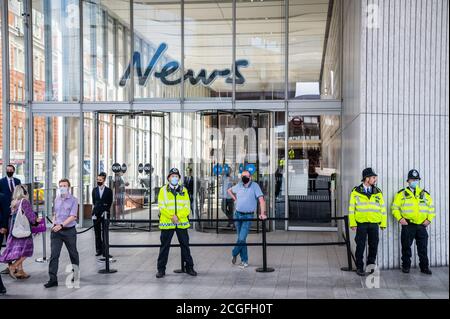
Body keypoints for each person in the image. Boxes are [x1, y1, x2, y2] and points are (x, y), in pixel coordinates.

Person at [156, 168, 197, 278]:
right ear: (168, 178)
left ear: (179, 178)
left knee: (185, 246)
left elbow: (187, 207)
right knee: (164, 247)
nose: (174, 178)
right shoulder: (163, 190)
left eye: (176, 176)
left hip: (181, 222)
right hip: (167, 222)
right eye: (172, 176)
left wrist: (177, 216)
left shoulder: (184, 190)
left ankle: (189, 267)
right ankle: (161, 270)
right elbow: (161, 206)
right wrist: (171, 216)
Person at [392, 169, 434, 275]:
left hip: (421, 226)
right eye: (413, 179)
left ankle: (424, 267)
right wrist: (400, 218)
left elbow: (431, 208)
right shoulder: (401, 194)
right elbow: (394, 208)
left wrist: (429, 219)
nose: (415, 181)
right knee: (406, 247)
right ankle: (406, 267)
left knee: (423, 248)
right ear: (408, 181)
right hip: (408, 225)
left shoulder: (424, 194)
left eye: (416, 179)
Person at [348, 168, 387, 276]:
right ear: (366, 178)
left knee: (373, 246)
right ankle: (359, 267)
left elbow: (382, 209)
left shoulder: (378, 192)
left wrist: (383, 223)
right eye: (373, 177)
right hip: (361, 224)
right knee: (360, 246)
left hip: (374, 224)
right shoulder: (356, 191)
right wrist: (353, 223)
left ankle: (370, 267)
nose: (375, 179)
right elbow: (352, 208)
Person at [0, 185, 41, 279]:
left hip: (14, 231)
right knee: (26, 251)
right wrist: (36, 221)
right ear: (24, 192)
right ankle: (13, 266)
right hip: (23, 231)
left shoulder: (13, 202)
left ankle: (20, 271)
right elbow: (30, 216)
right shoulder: (24, 202)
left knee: (20, 250)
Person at [227, 170, 267, 268]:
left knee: (241, 238)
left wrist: (262, 213)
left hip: (248, 216)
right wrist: (235, 199)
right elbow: (229, 190)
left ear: (250, 177)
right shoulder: (239, 185)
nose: (244, 178)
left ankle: (234, 253)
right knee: (242, 239)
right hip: (237, 215)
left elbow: (261, 200)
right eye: (243, 176)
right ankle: (244, 261)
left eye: (246, 176)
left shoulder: (255, 186)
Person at [44, 179, 80, 288]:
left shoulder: (74, 200)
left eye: (64, 185)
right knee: (54, 255)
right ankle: (52, 279)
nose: (62, 187)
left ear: (69, 187)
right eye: (61, 186)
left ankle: (76, 275)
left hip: (69, 231)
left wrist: (61, 225)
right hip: (56, 232)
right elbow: (55, 213)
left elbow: (73, 216)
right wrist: (54, 223)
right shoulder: (57, 199)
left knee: (73, 254)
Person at [0, 165, 22, 253]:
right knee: (1, 235)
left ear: (13, 171)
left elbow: (20, 195)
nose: (9, 171)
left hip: (15, 212)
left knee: (12, 235)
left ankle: (11, 256)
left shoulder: (17, 181)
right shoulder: (1, 182)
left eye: (11, 170)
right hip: (4, 212)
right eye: (7, 170)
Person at [92, 172, 113, 257]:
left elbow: (109, 202)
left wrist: (105, 210)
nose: (98, 181)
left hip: (105, 214)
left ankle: (105, 251)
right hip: (96, 214)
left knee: (105, 233)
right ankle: (98, 250)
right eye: (97, 180)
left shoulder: (108, 191)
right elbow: (94, 201)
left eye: (100, 180)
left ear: (104, 180)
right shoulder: (94, 190)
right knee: (97, 233)